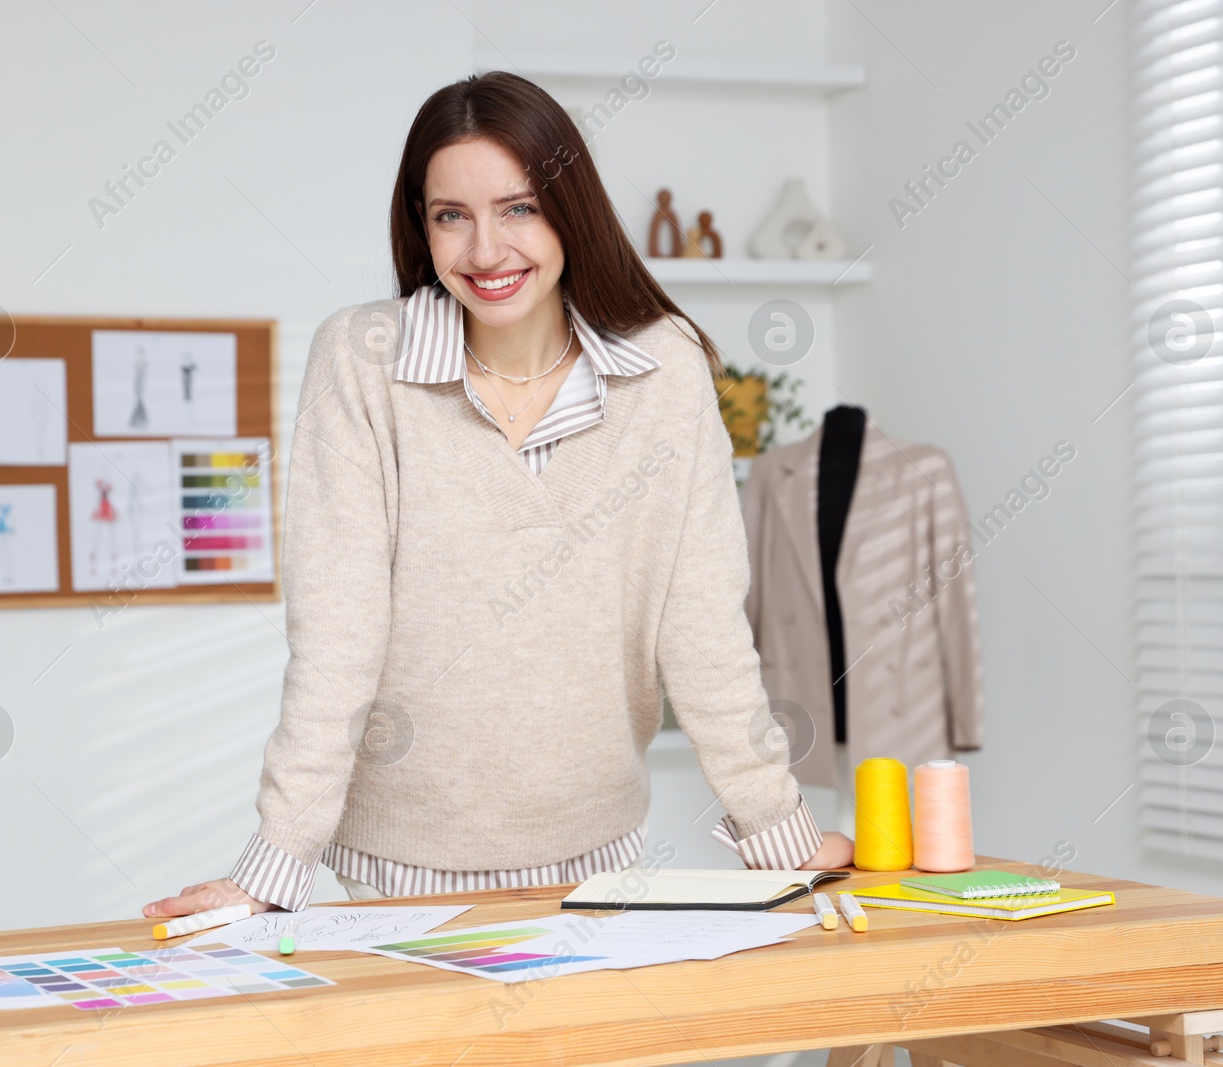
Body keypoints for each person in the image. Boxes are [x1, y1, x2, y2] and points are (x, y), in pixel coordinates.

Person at [145, 71, 851, 920]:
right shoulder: (363, 359)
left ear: (569, 209)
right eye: (453, 216)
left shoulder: (663, 371)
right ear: (423, 225)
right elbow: (338, 632)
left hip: (597, 862)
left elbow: (698, 622)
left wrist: (778, 830)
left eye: (517, 208)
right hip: (395, 872)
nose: (486, 251)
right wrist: (274, 864)